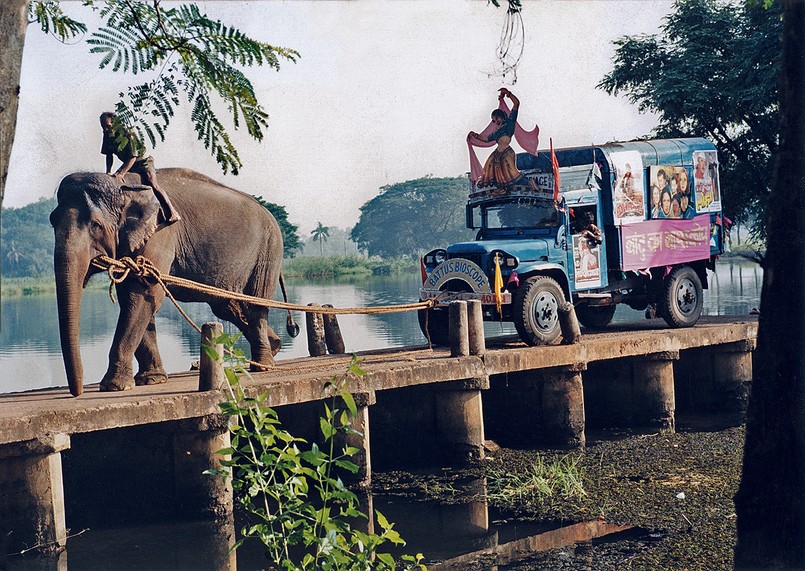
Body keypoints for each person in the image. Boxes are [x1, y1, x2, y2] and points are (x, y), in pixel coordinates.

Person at [100, 112, 181, 224]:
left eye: (108, 126)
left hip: (142, 161)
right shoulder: (107, 134)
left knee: (152, 182)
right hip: (130, 164)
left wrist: (121, 173)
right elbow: (109, 154)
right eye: (103, 127)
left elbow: (133, 156)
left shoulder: (127, 133)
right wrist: (108, 171)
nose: (105, 129)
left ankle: (173, 212)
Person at [469, 88, 523, 188]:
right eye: (493, 120)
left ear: (502, 117)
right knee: (490, 169)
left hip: (507, 153)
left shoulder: (509, 123)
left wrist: (507, 93)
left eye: (497, 118)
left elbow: (516, 104)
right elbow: (486, 139)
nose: (496, 121)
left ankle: (529, 183)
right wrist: (475, 135)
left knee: (512, 175)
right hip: (497, 154)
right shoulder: (496, 132)